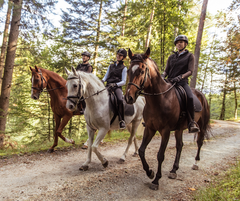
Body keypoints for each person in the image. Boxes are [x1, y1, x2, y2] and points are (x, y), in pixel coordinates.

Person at [162, 35, 200, 133]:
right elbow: (166, 70)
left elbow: (190, 71)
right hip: (169, 81)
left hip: (182, 83)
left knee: (190, 97)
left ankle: (191, 122)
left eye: (181, 42)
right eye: (177, 42)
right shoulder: (171, 57)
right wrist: (162, 76)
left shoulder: (190, 56)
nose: (179, 44)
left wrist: (181, 77)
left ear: (185, 44)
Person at [102, 48, 128, 129]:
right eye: (118, 54)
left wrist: (116, 84)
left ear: (123, 57)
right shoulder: (111, 66)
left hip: (117, 87)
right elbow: (106, 76)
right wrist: (102, 81)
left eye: (120, 55)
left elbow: (124, 81)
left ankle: (121, 120)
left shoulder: (124, 68)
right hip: (108, 85)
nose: (118, 56)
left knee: (120, 100)